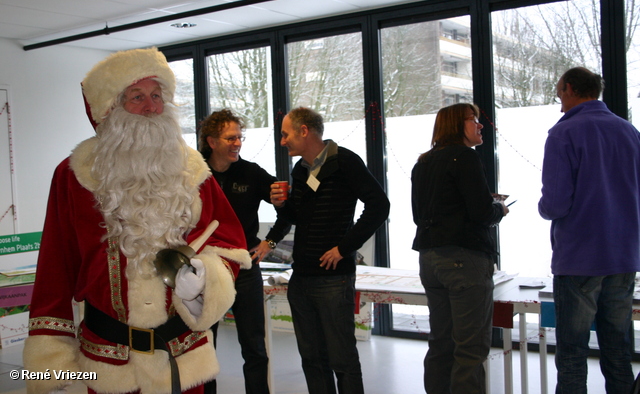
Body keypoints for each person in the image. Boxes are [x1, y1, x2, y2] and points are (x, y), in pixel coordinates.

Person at [23, 48, 252, 394]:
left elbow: (229, 242)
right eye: (137, 97)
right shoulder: (73, 176)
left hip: (181, 358)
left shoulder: (192, 171)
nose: (152, 107)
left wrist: (206, 277)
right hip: (106, 360)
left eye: (157, 96)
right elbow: (56, 266)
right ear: (110, 108)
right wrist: (52, 363)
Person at [269, 107, 389, 394]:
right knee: (312, 359)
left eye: (286, 134)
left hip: (333, 280)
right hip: (301, 278)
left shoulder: (345, 161)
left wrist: (344, 247)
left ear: (304, 131)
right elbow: (298, 216)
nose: (282, 141)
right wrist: (282, 206)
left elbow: (379, 206)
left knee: (342, 360)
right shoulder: (300, 170)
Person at [538, 67, 640, 394]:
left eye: (559, 94)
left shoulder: (563, 133)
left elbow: (555, 204)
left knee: (572, 352)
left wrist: (541, 208)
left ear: (569, 88)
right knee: (619, 349)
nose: (559, 102)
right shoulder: (629, 131)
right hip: (624, 255)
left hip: (580, 258)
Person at [411, 103, 509, 394]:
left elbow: (419, 215)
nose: (480, 125)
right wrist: (499, 209)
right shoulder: (465, 157)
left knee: (441, 343)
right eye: (473, 120)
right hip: (464, 261)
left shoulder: (423, 162)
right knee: (470, 349)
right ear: (456, 125)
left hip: (430, 261)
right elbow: (480, 213)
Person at [198, 109, 291, 394]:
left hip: (246, 268)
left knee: (254, 347)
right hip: (207, 268)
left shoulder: (251, 173)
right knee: (204, 348)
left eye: (240, 137)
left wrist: (270, 243)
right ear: (212, 141)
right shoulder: (194, 173)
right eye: (230, 138)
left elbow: (287, 210)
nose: (237, 143)